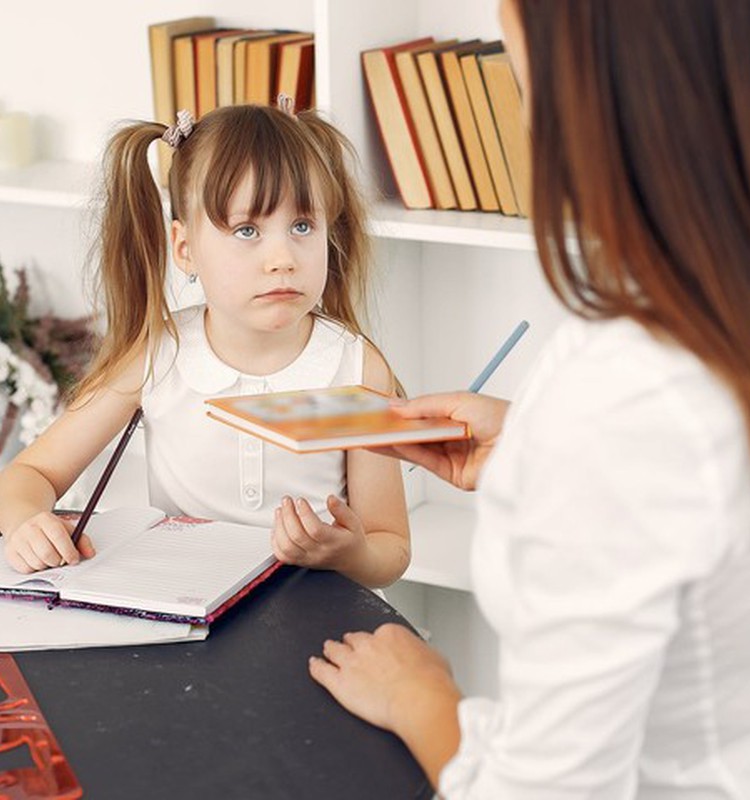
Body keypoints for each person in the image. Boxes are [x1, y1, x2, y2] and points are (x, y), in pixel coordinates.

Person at [309, 0, 750, 796]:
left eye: (519, 78)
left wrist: (425, 697)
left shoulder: (623, 403)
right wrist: (543, 452)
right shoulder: (674, 357)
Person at [0, 101, 410, 590]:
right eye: (247, 230)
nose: (282, 258)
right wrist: (27, 521)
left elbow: (391, 546)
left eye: (302, 226)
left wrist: (352, 554)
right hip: (186, 618)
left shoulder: (356, 367)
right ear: (184, 249)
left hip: (313, 616)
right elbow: (31, 473)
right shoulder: (160, 354)